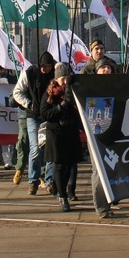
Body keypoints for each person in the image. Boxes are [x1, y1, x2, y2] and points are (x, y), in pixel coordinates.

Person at [40, 63, 83, 212]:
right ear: (57, 79)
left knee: (70, 165)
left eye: (66, 79)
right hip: (56, 133)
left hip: (71, 132)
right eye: (62, 79)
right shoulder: (50, 93)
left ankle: (63, 189)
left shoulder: (73, 90)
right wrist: (60, 107)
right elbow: (45, 114)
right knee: (60, 165)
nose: (64, 83)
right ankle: (62, 196)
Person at [12, 51, 55, 196]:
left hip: (50, 116)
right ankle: (33, 180)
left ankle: (49, 180)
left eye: (49, 66)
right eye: (44, 66)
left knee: (50, 149)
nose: (46, 69)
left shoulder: (55, 74)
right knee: (35, 148)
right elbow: (17, 92)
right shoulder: (29, 74)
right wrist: (29, 104)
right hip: (33, 116)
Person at [92, 57, 117, 218]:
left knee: (111, 166)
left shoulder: (116, 86)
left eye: (108, 68)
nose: (106, 70)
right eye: (103, 68)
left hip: (113, 131)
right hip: (96, 130)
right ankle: (101, 205)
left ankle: (109, 200)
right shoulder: (91, 86)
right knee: (98, 168)